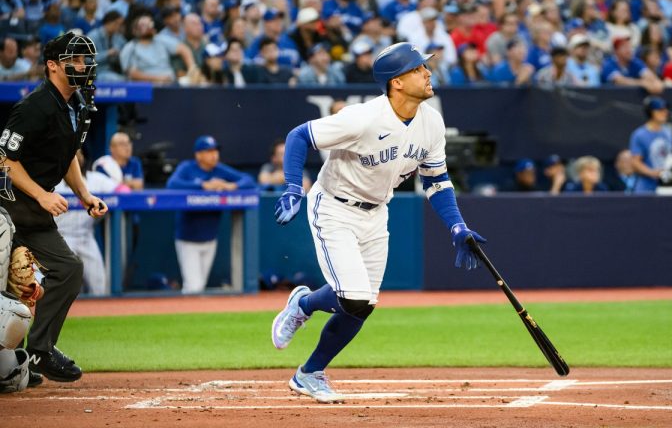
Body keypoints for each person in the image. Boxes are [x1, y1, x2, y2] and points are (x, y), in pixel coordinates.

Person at [270, 42, 487, 403]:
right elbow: (299, 136)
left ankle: (309, 371)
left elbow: (436, 181)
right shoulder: (364, 118)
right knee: (353, 298)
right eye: (418, 69)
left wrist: (457, 227)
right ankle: (304, 306)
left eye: (424, 67)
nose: (428, 72)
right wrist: (294, 186)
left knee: (364, 305)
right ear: (397, 82)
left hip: (376, 212)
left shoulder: (431, 121)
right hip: (334, 207)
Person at [0, 32, 108, 385]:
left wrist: (84, 195)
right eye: (75, 61)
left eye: (85, 60)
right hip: (7, 208)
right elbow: (4, 159)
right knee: (7, 288)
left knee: (68, 270)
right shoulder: (35, 106)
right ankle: (9, 366)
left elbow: (67, 159)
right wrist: (42, 195)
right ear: (52, 66)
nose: (83, 66)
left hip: (33, 211)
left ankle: (38, 353)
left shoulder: (75, 105)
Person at [165, 135, 256, 294]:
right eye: (208, 151)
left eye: (215, 151)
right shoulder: (188, 167)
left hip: (210, 238)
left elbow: (248, 179)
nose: (214, 155)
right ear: (198, 154)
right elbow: (172, 184)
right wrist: (203, 185)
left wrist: (231, 186)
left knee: (199, 286)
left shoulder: (219, 169)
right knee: (193, 287)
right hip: (188, 239)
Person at [54, 150, 120, 296]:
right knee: (65, 287)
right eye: (72, 154)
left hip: (86, 237)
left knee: (100, 284)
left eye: (79, 154)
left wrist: (127, 184)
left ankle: (102, 315)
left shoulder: (94, 179)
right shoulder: (53, 181)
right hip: (61, 238)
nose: (76, 157)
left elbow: (122, 191)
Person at [628, 96, 672, 193]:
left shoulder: (668, 132)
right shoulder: (640, 134)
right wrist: (653, 173)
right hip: (646, 188)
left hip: (666, 187)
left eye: (665, 110)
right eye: (660, 110)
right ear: (650, 112)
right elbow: (635, 162)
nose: (665, 113)